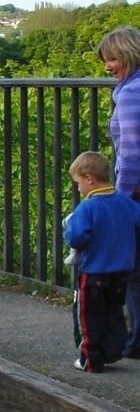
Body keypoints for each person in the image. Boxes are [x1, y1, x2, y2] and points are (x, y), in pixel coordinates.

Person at [64, 151, 140, 373]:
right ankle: (112, 350)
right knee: (114, 312)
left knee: (88, 317)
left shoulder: (87, 208)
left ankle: (90, 359)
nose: (78, 188)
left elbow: (77, 236)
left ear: (89, 178)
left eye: (78, 182)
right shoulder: (124, 203)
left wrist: (67, 231)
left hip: (94, 271)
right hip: (120, 273)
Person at [96, 26, 140, 358]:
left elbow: (131, 152)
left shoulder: (130, 93)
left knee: (133, 270)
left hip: (134, 193)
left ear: (126, 55)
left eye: (111, 59)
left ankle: (136, 341)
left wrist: (119, 201)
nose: (107, 67)